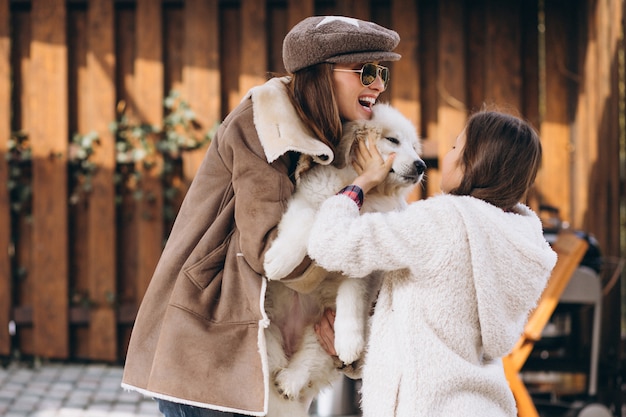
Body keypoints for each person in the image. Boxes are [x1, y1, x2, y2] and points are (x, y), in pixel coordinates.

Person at [121, 15, 402, 417]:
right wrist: (358, 190)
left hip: (275, 360)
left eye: (383, 74)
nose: (378, 85)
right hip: (215, 351)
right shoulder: (263, 126)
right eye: (367, 72)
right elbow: (271, 253)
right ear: (323, 74)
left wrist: (349, 336)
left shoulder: (340, 140)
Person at [309, 110, 558, 417]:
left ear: (474, 161)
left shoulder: (442, 221)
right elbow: (438, 339)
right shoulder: (519, 243)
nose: (446, 156)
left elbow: (329, 242)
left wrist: (362, 183)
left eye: (456, 147)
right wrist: (354, 356)